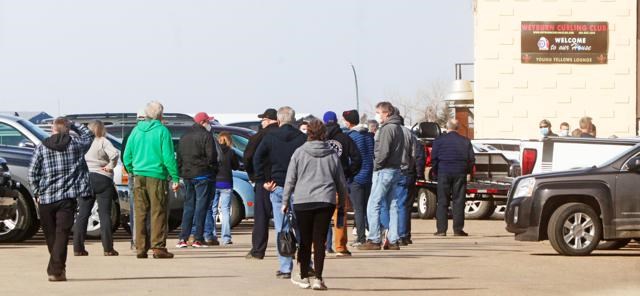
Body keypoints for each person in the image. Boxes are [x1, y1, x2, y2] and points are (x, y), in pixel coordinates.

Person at [283, 119, 348, 291]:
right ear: (324, 133)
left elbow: (290, 179)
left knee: (304, 240)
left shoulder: (299, 152)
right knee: (319, 241)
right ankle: (318, 278)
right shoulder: (332, 154)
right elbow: (341, 181)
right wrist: (342, 201)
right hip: (325, 200)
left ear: (308, 133)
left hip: (303, 200)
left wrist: (285, 201)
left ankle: (304, 276)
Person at [29, 118, 94, 281]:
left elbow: (32, 173)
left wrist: (37, 192)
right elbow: (89, 135)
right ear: (66, 129)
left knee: (51, 235)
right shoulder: (76, 145)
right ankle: (56, 269)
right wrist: (74, 124)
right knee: (62, 234)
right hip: (66, 198)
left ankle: (57, 269)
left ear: (53, 129)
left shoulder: (42, 147)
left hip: (46, 197)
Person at [254, 106, 306, 279]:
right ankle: (306, 264)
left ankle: (285, 267)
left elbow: (257, 158)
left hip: (277, 186)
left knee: (281, 227)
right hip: (299, 187)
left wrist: (263, 180)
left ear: (278, 119)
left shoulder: (270, 137)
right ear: (293, 119)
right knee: (302, 227)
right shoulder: (303, 138)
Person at [123, 101, 180, 259]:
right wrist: (175, 177)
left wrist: (132, 171)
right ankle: (158, 247)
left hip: (138, 176)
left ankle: (141, 248)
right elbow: (168, 157)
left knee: (140, 213)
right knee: (158, 212)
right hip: (157, 176)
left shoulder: (135, 131)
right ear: (160, 114)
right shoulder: (162, 131)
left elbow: (126, 156)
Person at [358, 102, 405, 251]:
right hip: (395, 169)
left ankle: (374, 238)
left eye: (378, 112)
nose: (377, 115)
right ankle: (393, 239)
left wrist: (377, 165)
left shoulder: (386, 129)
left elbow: (383, 152)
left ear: (386, 113)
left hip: (384, 170)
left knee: (374, 204)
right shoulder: (398, 128)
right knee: (393, 205)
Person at [73, 120, 120, 257]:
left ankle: (78, 247)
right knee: (104, 214)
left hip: (86, 178)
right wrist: (110, 166)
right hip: (102, 178)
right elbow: (115, 154)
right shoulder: (103, 141)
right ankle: (108, 248)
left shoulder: (81, 142)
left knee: (82, 214)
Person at [176, 112, 218, 249]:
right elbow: (212, 157)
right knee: (201, 208)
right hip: (202, 175)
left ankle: (183, 238)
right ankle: (197, 239)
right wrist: (211, 169)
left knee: (188, 207)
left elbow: (179, 157)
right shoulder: (206, 136)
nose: (209, 124)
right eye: (208, 122)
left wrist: (181, 172)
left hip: (188, 175)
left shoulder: (184, 136)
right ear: (203, 122)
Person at [323, 111, 361, 257]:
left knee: (321, 215)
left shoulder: (319, 139)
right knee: (339, 215)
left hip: (322, 183)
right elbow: (357, 158)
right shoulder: (345, 138)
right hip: (340, 181)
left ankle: (320, 245)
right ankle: (340, 247)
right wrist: (349, 173)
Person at [244, 108, 279, 260]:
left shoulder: (259, 136)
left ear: (270, 120)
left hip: (263, 181)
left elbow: (248, 157)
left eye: (263, 120)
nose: (262, 122)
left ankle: (258, 250)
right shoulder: (286, 136)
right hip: (282, 180)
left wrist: (255, 177)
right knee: (286, 216)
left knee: (261, 217)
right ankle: (289, 247)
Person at [432, 119, 475, 237]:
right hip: (459, 173)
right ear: (457, 128)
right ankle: (458, 229)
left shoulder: (438, 141)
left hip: (443, 172)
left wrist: (436, 172)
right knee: (459, 201)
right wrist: (467, 171)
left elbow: (434, 159)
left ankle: (441, 230)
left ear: (447, 127)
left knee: (442, 202)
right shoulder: (465, 141)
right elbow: (471, 160)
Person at [342, 109, 374, 247]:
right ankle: (372, 235)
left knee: (358, 209)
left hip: (357, 177)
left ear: (348, 122)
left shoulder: (351, 136)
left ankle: (361, 238)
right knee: (368, 208)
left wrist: (349, 174)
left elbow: (352, 158)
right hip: (369, 175)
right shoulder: (368, 135)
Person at [122, 110, 148, 250]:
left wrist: (131, 169)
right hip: (149, 174)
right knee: (149, 209)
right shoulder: (153, 133)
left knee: (136, 208)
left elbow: (124, 156)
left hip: (135, 173)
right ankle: (142, 240)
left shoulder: (131, 134)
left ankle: (136, 241)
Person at [397, 115, 424, 246]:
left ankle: (400, 235)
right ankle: (405, 235)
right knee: (405, 206)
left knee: (398, 205)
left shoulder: (389, 132)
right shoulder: (411, 135)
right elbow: (418, 155)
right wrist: (418, 173)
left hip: (398, 172)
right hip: (409, 172)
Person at [208, 132, 239, 246]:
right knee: (225, 211)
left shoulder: (214, 151)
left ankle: (212, 235)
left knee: (213, 209)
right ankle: (226, 238)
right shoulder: (231, 152)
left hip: (215, 182)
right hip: (227, 183)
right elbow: (236, 166)